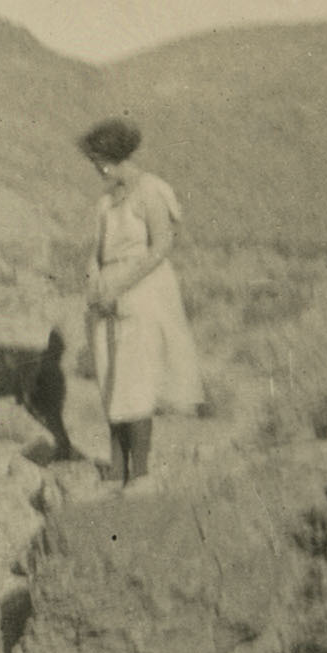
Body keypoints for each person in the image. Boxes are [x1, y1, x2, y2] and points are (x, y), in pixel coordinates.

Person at [79, 116, 203, 491]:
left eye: (99, 161)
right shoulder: (104, 204)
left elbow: (161, 246)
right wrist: (96, 286)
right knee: (111, 376)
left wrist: (123, 285)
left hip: (144, 291)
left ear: (110, 158)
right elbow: (96, 252)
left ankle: (141, 472)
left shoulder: (151, 191)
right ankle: (117, 469)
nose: (98, 170)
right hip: (109, 295)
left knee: (137, 380)